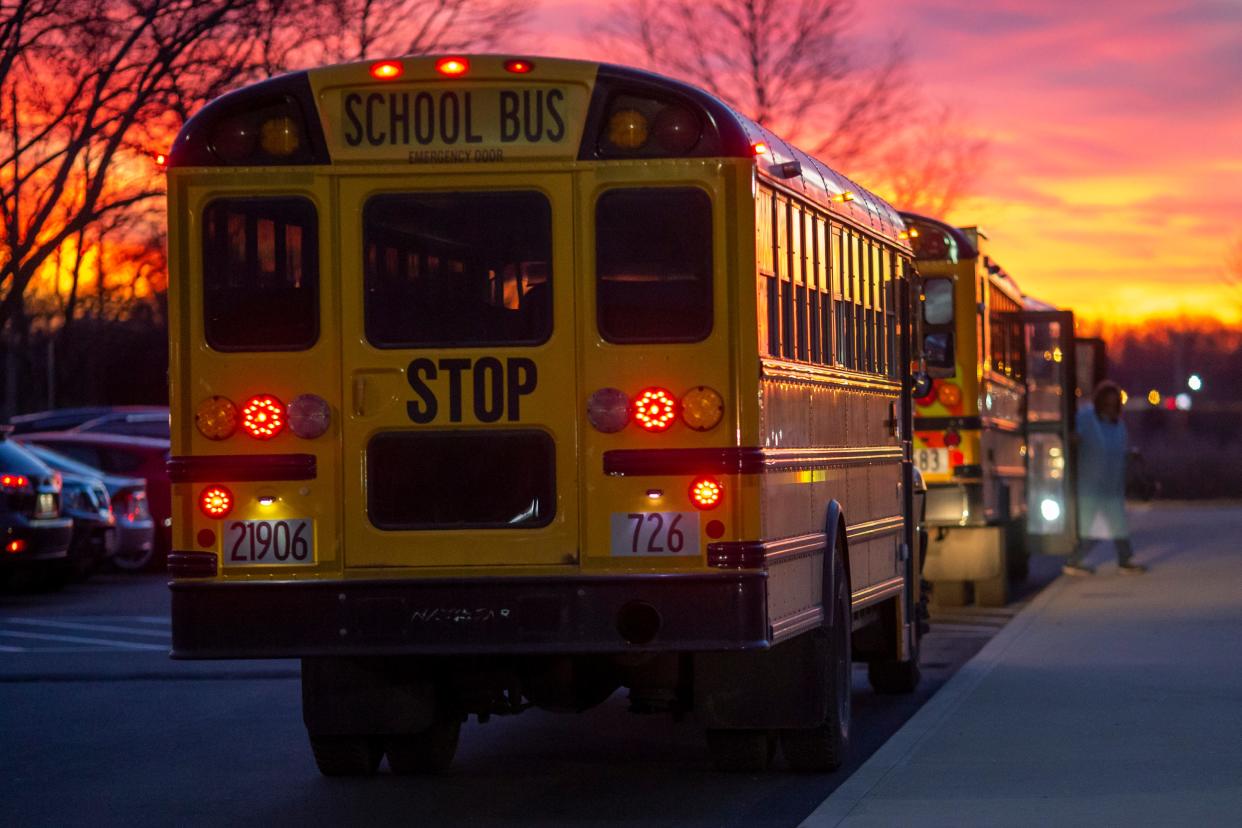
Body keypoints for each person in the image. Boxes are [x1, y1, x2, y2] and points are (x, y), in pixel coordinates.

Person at [1063, 381, 1146, 575]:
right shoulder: (1087, 419)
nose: (1110, 408)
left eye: (1114, 404)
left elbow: (1115, 451)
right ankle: (1075, 560)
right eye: (1107, 403)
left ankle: (1124, 560)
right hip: (1091, 484)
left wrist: (1129, 455)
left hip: (1111, 484)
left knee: (1117, 524)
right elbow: (1076, 439)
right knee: (1094, 527)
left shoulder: (1117, 425)